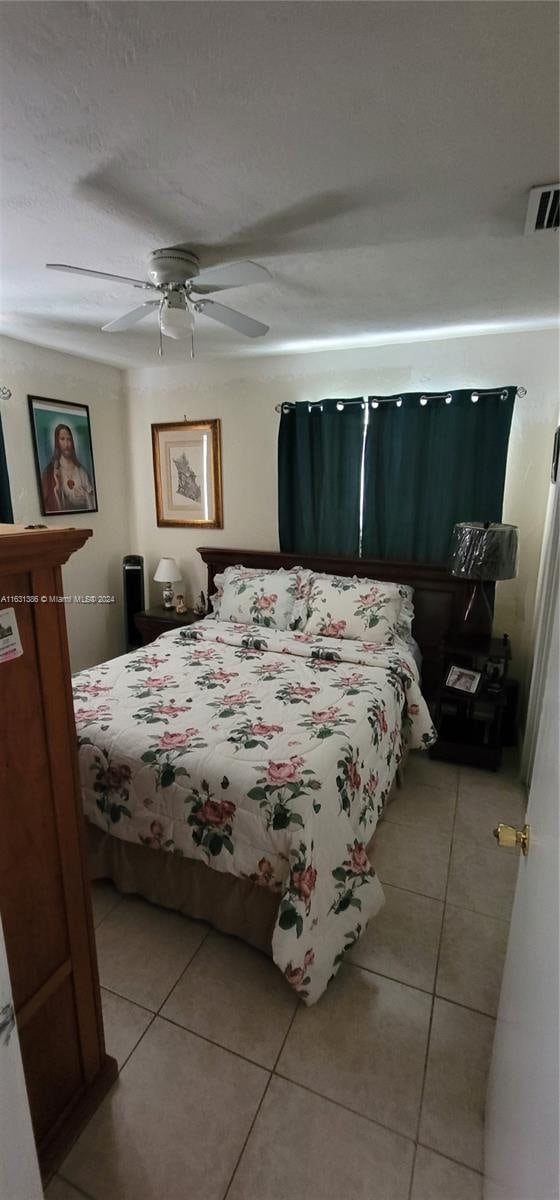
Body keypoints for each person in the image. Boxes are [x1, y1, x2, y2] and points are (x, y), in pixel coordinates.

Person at [41, 424, 95, 511]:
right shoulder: (51, 472)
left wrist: (86, 496)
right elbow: (48, 505)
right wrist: (57, 489)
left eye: (69, 439)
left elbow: (93, 501)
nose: (66, 444)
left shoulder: (82, 472)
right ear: (57, 442)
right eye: (62, 439)